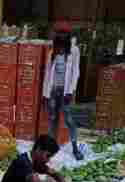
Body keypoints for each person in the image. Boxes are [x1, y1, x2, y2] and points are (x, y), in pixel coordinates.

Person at [42, 20, 83, 161]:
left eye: (64, 33)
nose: (61, 36)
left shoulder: (74, 51)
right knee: (52, 119)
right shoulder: (52, 50)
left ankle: (75, 148)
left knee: (69, 120)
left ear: (68, 35)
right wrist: (45, 94)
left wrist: (71, 91)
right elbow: (47, 73)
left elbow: (76, 72)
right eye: (59, 33)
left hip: (65, 91)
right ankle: (50, 149)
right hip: (53, 90)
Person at [0, 135, 73, 182]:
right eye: (47, 156)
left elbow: (52, 172)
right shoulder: (23, 162)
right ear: (38, 149)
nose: (48, 160)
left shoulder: (36, 162)